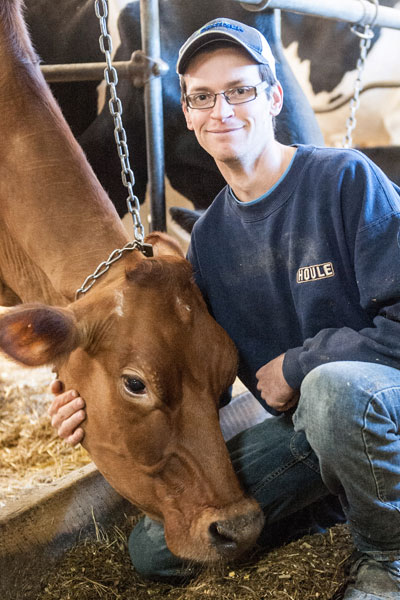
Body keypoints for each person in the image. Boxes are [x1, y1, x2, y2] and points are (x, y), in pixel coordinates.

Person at [49, 18, 400, 599]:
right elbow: (185, 368)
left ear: (273, 97)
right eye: (203, 97)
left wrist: (298, 365)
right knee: (158, 550)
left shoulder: (345, 181)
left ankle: (387, 560)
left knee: (331, 389)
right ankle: (342, 499)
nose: (223, 111)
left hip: (379, 404)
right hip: (306, 433)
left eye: (240, 90)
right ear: (186, 113)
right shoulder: (209, 241)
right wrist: (81, 391)